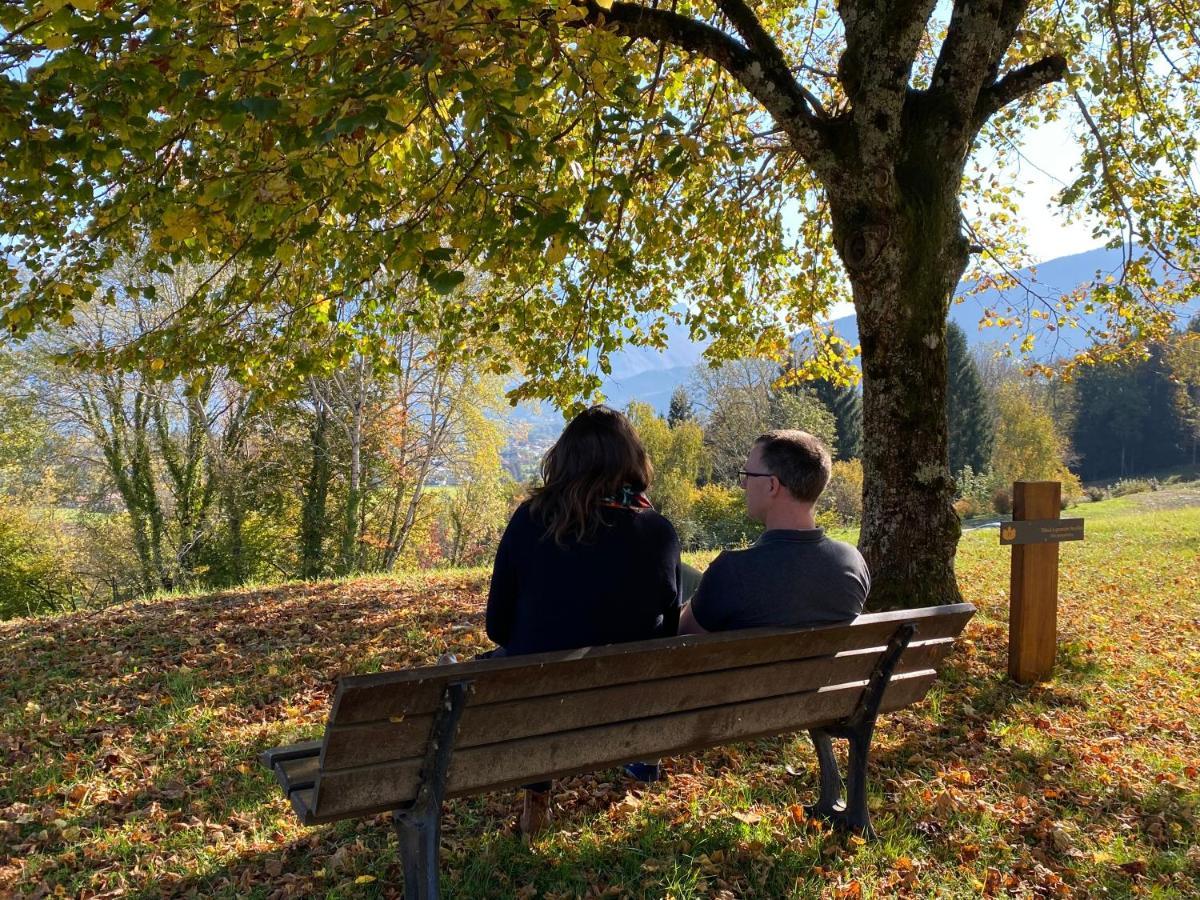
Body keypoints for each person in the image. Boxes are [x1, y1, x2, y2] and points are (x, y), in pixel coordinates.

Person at [485, 405, 683, 834]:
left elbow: (497, 627)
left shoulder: (530, 520)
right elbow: (665, 635)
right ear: (632, 461)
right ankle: (641, 765)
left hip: (536, 703)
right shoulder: (660, 532)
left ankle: (537, 797)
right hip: (626, 703)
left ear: (564, 460)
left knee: (520, 660)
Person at [679, 430, 869, 634]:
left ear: (772, 485)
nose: (743, 485)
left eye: (748, 476)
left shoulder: (732, 572)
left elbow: (682, 637)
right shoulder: (852, 562)